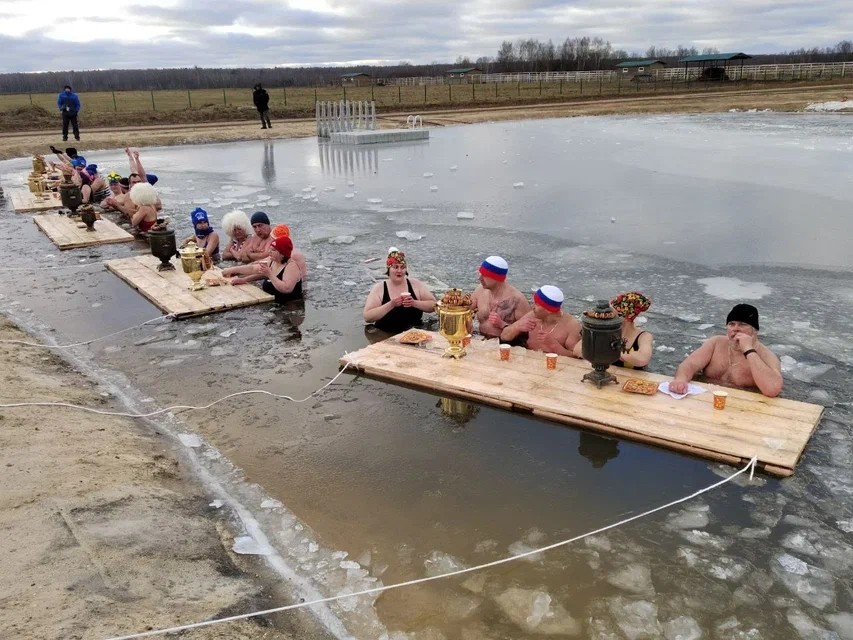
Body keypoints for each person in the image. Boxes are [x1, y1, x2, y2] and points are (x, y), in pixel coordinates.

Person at [669, 303, 783, 397]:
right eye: (731, 324)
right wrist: (681, 379)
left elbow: (772, 389)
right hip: (709, 398)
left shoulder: (766, 356)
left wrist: (748, 349)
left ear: (755, 331)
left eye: (742, 324)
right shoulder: (716, 343)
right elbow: (690, 364)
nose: (736, 329)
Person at [363, 248, 436, 333]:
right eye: (395, 267)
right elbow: (367, 317)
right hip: (386, 334)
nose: (399, 271)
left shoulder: (415, 284)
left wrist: (414, 303)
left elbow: (434, 306)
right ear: (389, 269)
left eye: (402, 267)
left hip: (415, 333)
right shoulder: (379, 288)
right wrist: (391, 304)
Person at [501, 285, 581, 356]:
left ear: (549, 310)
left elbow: (576, 357)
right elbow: (504, 336)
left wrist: (554, 346)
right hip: (529, 361)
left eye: (537, 304)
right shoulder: (533, 315)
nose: (533, 307)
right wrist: (516, 327)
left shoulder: (571, 325)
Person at [223, 236, 303, 303]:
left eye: (273, 250)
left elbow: (286, 289)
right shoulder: (273, 261)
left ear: (282, 253)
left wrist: (269, 274)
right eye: (270, 249)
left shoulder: (291, 266)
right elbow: (253, 269)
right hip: (272, 303)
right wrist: (242, 278)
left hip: (289, 307)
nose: (269, 252)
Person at [470, 256, 530, 339]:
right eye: (480, 274)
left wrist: (502, 324)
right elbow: (465, 310)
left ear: (496, 278)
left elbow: (528, 332)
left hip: (504, 343)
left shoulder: (517, 299)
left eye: (484, 275)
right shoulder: (480, 290)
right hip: (481, 339)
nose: (480, 278)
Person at [609, 291, 654, 370]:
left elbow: (643, 358)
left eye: (611, 314)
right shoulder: (606, 332)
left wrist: (612, 352)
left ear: (624, 317)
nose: (608, 317)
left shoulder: (644, 336)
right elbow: (583, 350)